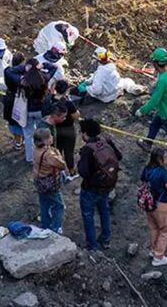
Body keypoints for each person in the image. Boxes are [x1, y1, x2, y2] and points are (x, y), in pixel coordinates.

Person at [77, 118, 122, 251]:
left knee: (88, 216)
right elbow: (119, 157)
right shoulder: (106, 141)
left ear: (85, 133)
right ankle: (106, 238)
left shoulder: (87, 149)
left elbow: (84, 172)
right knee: (104, 211)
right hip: (107, 185)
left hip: (90, 188)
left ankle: (93, 246)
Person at [138, 48, 167, 159]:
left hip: (166, 113)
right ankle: (148, 143)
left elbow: (155, 100)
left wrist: (142, 110)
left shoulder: (162, 80)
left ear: (155, 64)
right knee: (154, 124)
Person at [32, 128, 69, 234]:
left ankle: (45, 224)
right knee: (59, 205)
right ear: (45, 140)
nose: (52, 137)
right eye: (50, 136)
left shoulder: (35, 149)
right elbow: (62, 165)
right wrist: (57, 153)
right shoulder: (49, 155)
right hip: (49, 182)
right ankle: (56, 228)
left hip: (39, 180)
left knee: (44, 203)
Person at [19, 57, 50, 165]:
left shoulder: (23, 80)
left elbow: (10, 71)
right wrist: (43, 65)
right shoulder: (44, 78)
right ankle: (45, 156)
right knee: (43, 134)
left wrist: (25, 68)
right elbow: (53, 67)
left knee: (28, 135)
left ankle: (30, 158)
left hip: (27, 110)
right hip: (40, 110)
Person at [45, 79, 80, 171]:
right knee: (69, 151)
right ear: (66, 90)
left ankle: (59, 169)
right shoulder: (68, 103)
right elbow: (76, 116)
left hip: (54, 129)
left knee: (56, 149)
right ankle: (71, 170)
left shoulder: (49, 99)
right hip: (68, 129)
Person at [2, 52, 27, 150]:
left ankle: (18, 142)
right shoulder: (24, 75)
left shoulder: (8, 72)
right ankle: (25, 139)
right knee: (23, 121)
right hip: (21, 99)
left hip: (10, 98)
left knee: (13, 121)